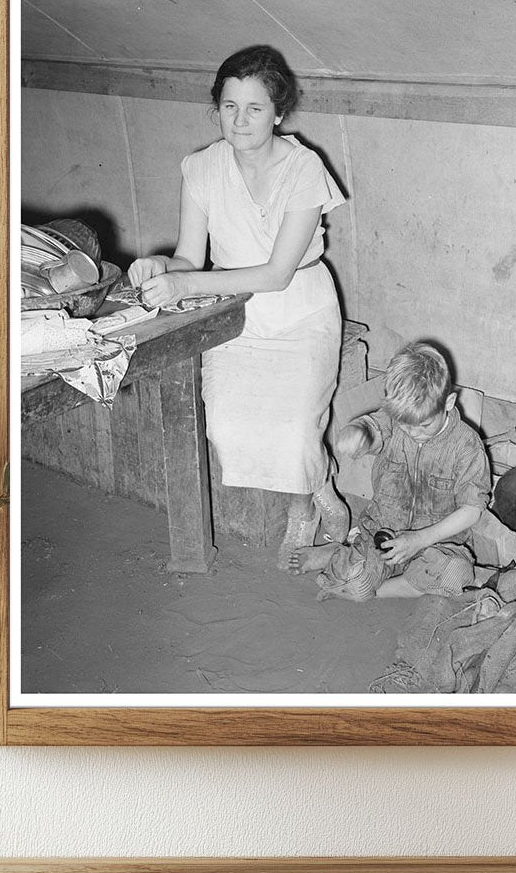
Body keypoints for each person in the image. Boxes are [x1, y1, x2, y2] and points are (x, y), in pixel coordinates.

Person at [127, 45, 349, 567]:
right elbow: (188, 257)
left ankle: (308, 508)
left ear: (278, 113)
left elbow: (276, 274)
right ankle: (320, 485)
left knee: (296, 432)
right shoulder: (201, 168)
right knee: (225, 426)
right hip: (235, 317)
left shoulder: (304, 169)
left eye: (254, 109)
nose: (241, 120)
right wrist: (162, 267)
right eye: (229, 107)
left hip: (300, 312)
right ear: (216, 109)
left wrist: (186, 287)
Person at [288, 340, 491, 599]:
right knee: (355, 582)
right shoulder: (394, 421)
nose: (414, 433)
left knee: (455, 574)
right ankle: (339, 555)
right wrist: (357, 434)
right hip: (381, 536)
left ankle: (371, 588)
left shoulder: (466, 445)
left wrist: (419, 540)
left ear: (449, 403)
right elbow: (373, 428)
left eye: (424, 425)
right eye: (406, 425)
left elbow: (472, 511)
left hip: (438, 543)